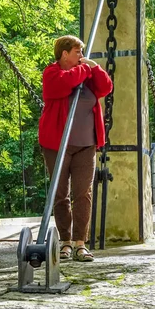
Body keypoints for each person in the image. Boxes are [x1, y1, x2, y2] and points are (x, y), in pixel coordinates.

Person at [38, 35, 113, 262]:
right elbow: (61, 86)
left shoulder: (86, 74)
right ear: (64, 54)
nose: (82, 56)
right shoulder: (51, 73)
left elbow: (106, 87)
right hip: (56, 145)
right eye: (78, 52)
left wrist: (95, 68)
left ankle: (81, 243)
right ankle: (65, 242)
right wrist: (83, 71)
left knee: (83, 193)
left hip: (86, 145)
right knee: (60, 194)